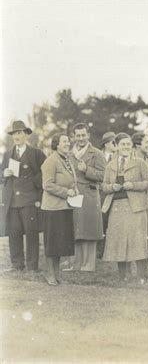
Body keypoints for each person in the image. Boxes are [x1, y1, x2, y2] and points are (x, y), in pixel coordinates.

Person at [101, 133, 148, 283]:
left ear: (131, 146)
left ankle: (141, 275)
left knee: (137, 240)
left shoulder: (140, 162)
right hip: (116, 207)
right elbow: (103, 186)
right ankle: (123, 275)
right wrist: (112, 187)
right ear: (116, 146)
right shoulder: (110, 165)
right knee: (119, 240)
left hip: (135, 206)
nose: (126, 147)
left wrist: (134, 185)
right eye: (122, 144)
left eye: (128, 144)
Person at [0, 120, 46, 272]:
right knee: (14, 233)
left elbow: (44, 174)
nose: (16, 136)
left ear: (26, 134)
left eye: (19, 133)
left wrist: (32, 184)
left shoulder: (36, 153)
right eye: (14, 134)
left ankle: (33, 266)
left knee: (31, 234)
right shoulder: (7, 155)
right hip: (12, 201)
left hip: (29, 201)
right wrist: (4, 174)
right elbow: (1, 175)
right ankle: (17, 265)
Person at [67, 123, 106, 272]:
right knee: (76, 229)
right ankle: (76, 264)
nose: (81, 138)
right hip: (74, 195)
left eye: (83, 135)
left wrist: (87, 170)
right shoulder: (69, 154)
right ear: (73, 137)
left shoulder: (97, 154)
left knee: (89, 230)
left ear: (88, 136)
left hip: (89, 195)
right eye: (78, 135)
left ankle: (89, 265)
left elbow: (104, 176)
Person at [41, 134, 77, 285]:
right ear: (56, 145)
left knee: (60, 243)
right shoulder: (50, 161)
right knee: (52, 243)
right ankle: (50, 275)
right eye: (64, 141)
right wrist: (66, 192)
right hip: (52, 208)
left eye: (68, 141)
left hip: (65, 207)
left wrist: (75, 190)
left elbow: (71, 181)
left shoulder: (67, 160)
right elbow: (47, 185)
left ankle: (57, 275)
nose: (67, 144)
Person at [131, 132, 148, 279]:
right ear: (138, 144)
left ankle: (145, 273)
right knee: (139, 238)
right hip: (137, 204)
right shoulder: (133, 160)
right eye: (146, 142)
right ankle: (139, 273)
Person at [97, 131, 117, 259]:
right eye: (112, 142)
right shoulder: (99, 156)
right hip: (100, 192)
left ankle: (112, 250)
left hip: (113, 192)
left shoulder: (118, 157)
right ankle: (100, 249)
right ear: (106, 144)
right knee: (101, 221)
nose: (115, 145)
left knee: (113, 221)